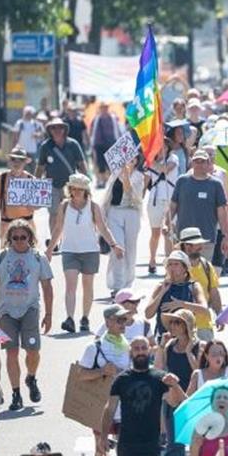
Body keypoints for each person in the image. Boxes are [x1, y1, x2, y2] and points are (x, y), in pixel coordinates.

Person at [99, 337, 185, 456]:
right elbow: (109, 409)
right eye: (136, 348)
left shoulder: (160, 378)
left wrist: (175, 386)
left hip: (151, 444)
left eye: (143, 348)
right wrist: (103, 437)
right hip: (127, 443)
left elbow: (177, 403)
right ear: (131, 352)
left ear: (149, 351)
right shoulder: (121, 380)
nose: (140, 351)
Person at [0, 218, 53, 412]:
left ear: (30, 238)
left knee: (32, 350)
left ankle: (31, 377)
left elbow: (47, 287)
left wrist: (49, 314)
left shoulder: (39, 258)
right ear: (9, 239)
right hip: (7, 312)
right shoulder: (1, 257)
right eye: (15, 238)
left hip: (30, 309)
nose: (19, 241)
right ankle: (16, 393)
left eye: (23, 237)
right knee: (11, 352)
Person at [46, 173, 123, 334]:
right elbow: (58, 228)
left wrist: (114, 245)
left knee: (87, 285)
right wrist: (50, 249)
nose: (77, 192)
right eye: (74, 189)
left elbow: (102, 228)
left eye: (81, 189)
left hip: (90, 251)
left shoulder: (93, 206)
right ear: (70, 190)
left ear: (86, 190)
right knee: (70, 286)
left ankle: (85, 318)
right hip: (70, 250)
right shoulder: (64, 206)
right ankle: (69, 318)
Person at [79, 305, 133, 456]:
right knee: (101, 447)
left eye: (125, 320)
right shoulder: (94, 347)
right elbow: (80, 375)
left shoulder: (129, 346)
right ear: (108, 321)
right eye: (119, 320)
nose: (123, 324)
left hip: (125, 408)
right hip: (102, 408)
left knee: (123, 450)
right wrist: (102, 371)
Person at [155, 308, 203, 456]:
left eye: (178, 323)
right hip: (174, 400)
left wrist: (190, 350)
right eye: (172, 323)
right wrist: (160, 347)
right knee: (175, 444)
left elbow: (198, 372)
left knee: (199, 443)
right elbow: (159, 370)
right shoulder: (169, 346)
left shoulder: (199, 346)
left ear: (187, 326)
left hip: (194, 400)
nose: (173, 326)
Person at [169, 148, 228, 266]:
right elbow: (173, 206)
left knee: (203, 273)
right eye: (196, 161)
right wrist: (166, 223)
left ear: (209, 163)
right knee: (182, 272)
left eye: (202, 161)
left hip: (206, 239)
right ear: (192, 163)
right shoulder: (182, 181)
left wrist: (225, 236)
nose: (199, 164)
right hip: (183, 239)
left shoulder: (216, 184)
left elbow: (222, 213)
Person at [34, 117, 88, 242]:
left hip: (71, 186)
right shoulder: (45, 146)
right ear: (50, 130)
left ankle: (68, 239)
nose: (57, 130)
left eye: (60, 127)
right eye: (53, 127)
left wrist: (85, 184)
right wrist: (35, 185)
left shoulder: (73, 144)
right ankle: (55, 241)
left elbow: (81, 164)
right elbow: (40, 167)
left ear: (64, 129)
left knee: (70, 213)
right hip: (52, 185)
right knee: (53, 214)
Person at [104, 154, 145, 296]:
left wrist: (126, 174)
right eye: (127, 159)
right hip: (115, 212)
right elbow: (108, 194)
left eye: (133, 159)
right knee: (118, 248)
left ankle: (128, 283)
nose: (129, 161)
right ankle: (117, 285)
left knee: (130, 250)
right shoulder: (115, 173)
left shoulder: (139, 176)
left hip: (131, 213)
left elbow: (130, 192)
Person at [144, 140, 179, 275]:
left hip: (171, 200)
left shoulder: (173, 158)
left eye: (163, 146)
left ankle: (169, 263)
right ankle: (152, 260)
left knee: (169, 233)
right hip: (155, 200)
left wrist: (150, 161)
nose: (161, 149)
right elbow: (145, 181)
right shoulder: (150, 161)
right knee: (155, 233)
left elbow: (165, 169)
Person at [0, 148, 37, 244]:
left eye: (21, 160)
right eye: (13, 159)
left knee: (30, 256)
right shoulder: (1, 178)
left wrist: (33, 206)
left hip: (27, 224)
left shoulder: (31, 179)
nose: (17, 163)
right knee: (7, 256)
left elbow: (37, 204)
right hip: (7, 223)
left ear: (25, 163)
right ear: (9, 161)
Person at [89, 101, 122, 188]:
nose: (104, 109)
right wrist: (91, 142)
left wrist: (119, 141)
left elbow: (118, 130)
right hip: (99, 144)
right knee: (100, 164)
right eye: (103, 107)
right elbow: (92, 130)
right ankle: (102, 181)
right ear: (100, 109)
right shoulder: (96, 119)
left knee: (111, 163)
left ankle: (111, 180)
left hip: (111, 143)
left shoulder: (113, 118)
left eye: (106, 107)